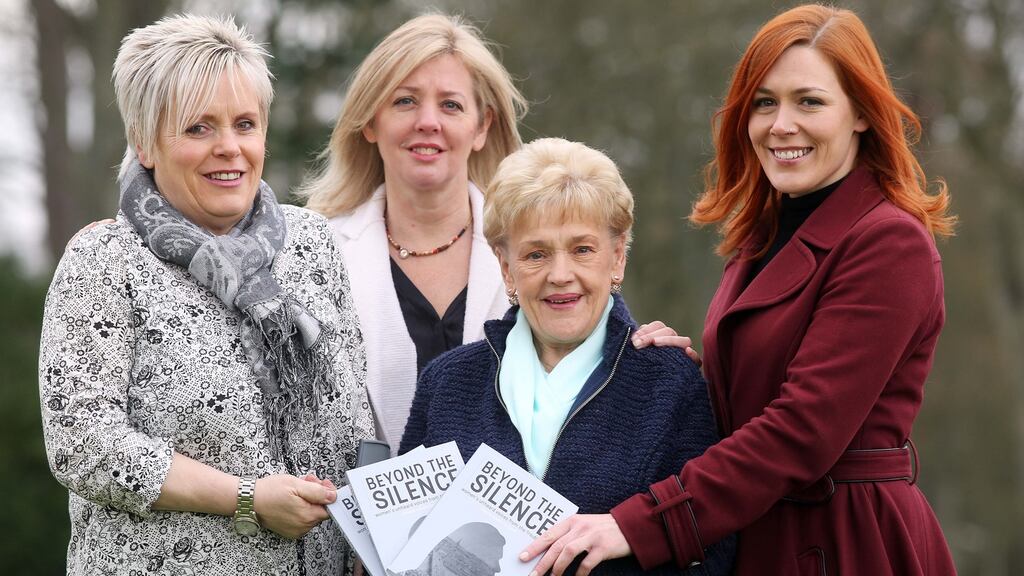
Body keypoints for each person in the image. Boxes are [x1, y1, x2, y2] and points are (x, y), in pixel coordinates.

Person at [523, 5, 957, 576]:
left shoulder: (888, 244)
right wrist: (686, 375)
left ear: (861, 114)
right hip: (756, 532)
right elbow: (768, 390)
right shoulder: (765, 234)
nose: (781, 124)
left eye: (810, 101)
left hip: (843, 541)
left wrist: (636, 523)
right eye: (764, 102)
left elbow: (802, 431)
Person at [38, 14, 373, 575]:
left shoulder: (311, 241)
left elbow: (355, 414)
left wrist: (369, 538)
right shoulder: (103, 260)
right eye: (199, 129)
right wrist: (246, 498)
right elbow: (83, 445)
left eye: (245, 124)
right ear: (145, 143)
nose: (230, 148)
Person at [299, 14, 687, 456]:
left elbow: (596, 346)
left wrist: (648, 352)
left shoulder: (533, 242)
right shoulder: (315, 252)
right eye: (405, 101)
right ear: (370, 122)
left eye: (450, 105)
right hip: (349, 516)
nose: (428, 121)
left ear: (482, 126)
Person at [399, 138, 735, 576]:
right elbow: (400, 541)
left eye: (582, 250)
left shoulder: (668, 382)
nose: (561, 275)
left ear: (616, 257)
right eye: (536, 254)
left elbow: (710, 551)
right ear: (506, 267)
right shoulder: (447, 382)